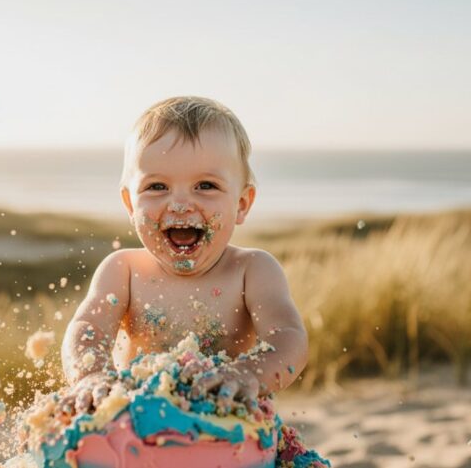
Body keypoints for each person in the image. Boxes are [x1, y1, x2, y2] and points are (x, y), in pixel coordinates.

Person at [60, 96, 309, 418]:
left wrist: (248, 374)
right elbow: (87, 327)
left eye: (205, 185)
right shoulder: (123, 271)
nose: (179, 204)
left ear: (242, 204)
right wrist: (90, 376)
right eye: (157, 186)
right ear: (129, 204)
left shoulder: (252, 270)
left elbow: (288, 338)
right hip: (134, 425)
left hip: (228, 428)